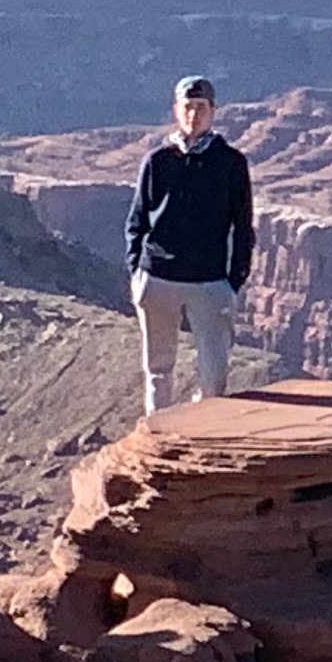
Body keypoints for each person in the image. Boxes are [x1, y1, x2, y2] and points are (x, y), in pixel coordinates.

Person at [127, 74, 254, 417]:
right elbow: (138, 218)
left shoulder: (230, 162)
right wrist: (137, 269)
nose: (193, 115)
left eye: (201, 107)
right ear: (176, 110)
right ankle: (159, 438)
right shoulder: (157, 160)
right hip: (158, 277)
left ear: (213, 111)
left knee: (214, 377)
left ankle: (203, 437)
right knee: (158, 370)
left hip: (210, 281)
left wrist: (235, 278)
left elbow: (243, 224)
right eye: (187, 107)